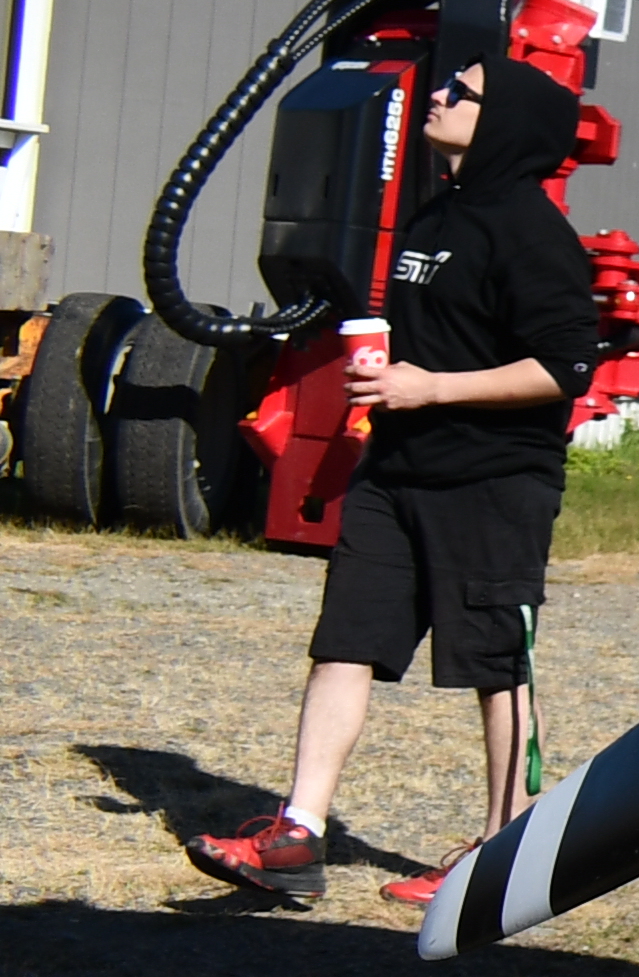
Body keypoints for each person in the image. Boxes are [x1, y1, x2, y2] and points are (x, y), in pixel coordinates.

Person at [186, 52, 613, 910]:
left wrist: (433, 387)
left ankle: (504, 859)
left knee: (496, 665)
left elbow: (566, 365)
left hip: (493, 484)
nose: (442, 96)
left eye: (463, 93)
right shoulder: (435, 213)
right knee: (345, 643)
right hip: (396, 472)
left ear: (505, 124)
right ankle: (297, 834)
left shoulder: (532, 234)